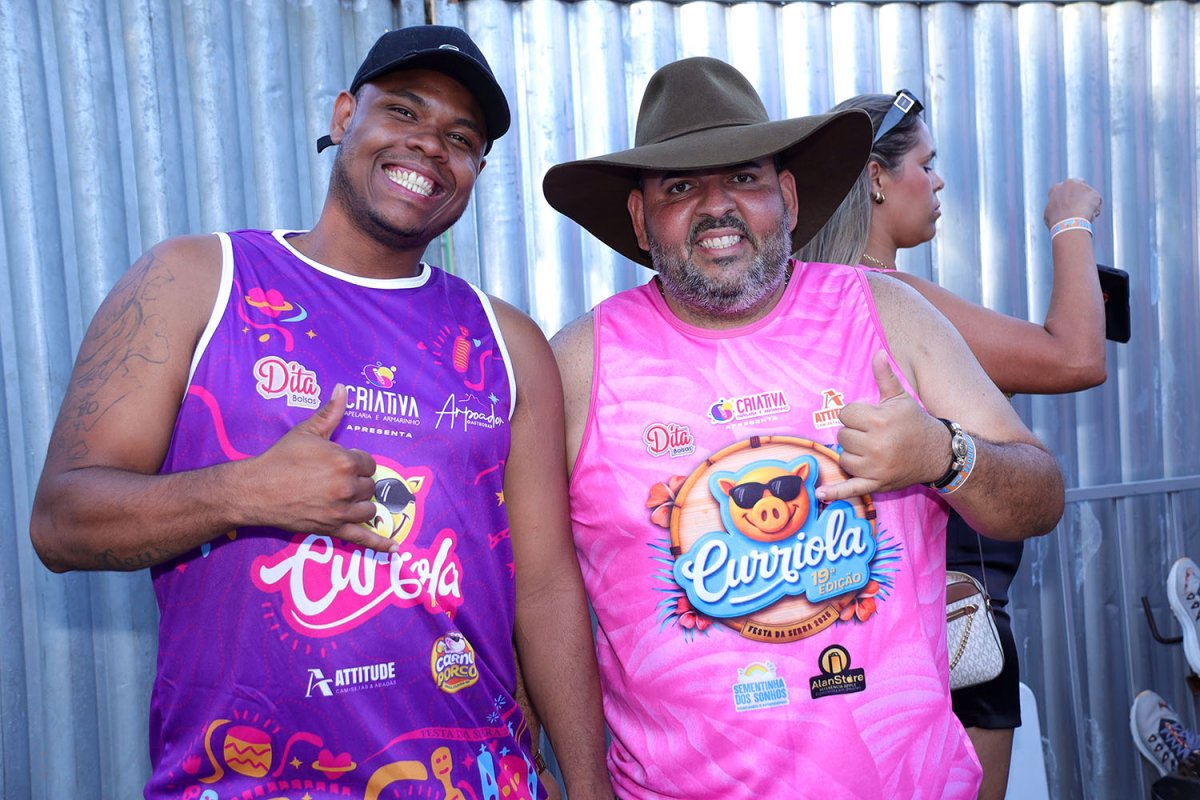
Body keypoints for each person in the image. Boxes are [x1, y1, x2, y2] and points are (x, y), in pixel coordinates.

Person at [29, 25, 611, 800]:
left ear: (476, 170)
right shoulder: (198, 280)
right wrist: (242, 492)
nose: (430, 145)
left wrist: (589, 783)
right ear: (343, 116)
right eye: (404, 111)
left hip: (473, 779)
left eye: (461, 138)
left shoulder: (507, 342)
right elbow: (61, 522)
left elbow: (544, 588)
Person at [542, 56, 1065, 799]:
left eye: (743, 177)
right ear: (638, 218)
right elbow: (529, 590)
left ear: (786, 197)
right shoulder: (578, 365)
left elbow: (1041, 495)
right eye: (680, 187)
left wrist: (942, 455)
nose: (717, 206)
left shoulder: (887, 313)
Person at [798, 90, 1106, 800]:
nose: (937, 183)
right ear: (875, 178)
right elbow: (1076, 356)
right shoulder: (888, 300)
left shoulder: (817, 304)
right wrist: (1070, 221)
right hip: (954, 633)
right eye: (926, 164)